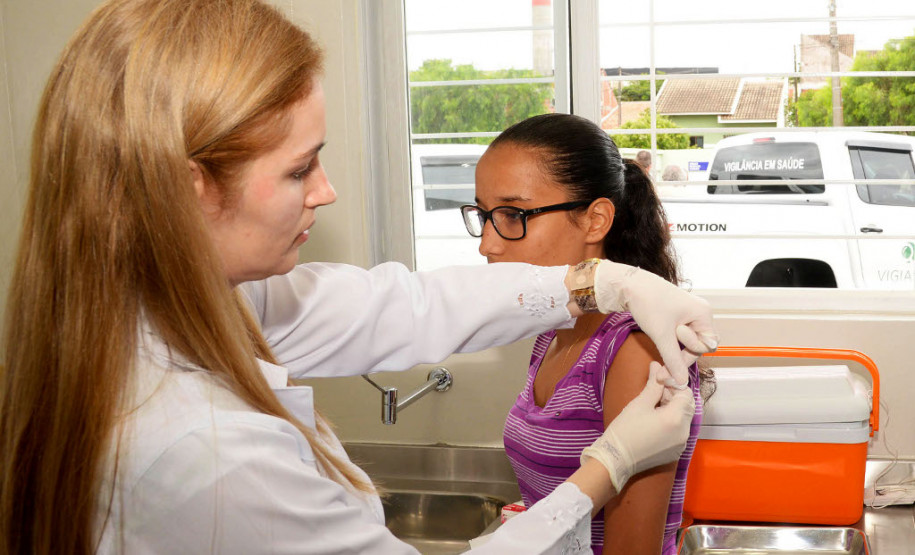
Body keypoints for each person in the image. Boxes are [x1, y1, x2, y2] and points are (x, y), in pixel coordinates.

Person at [0, 1, 717, 553]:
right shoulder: (206, 454)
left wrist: (596, 285)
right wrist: (605, 466)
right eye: (297, 167)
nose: (326, 189)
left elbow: (398, 304)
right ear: (191, 188)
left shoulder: (174, 306)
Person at [464, 113, 713, 554]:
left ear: (596, 221)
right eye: (483, 214)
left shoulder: (634, 350)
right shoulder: (553, 328)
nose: (487, 242)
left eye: (512, 214)